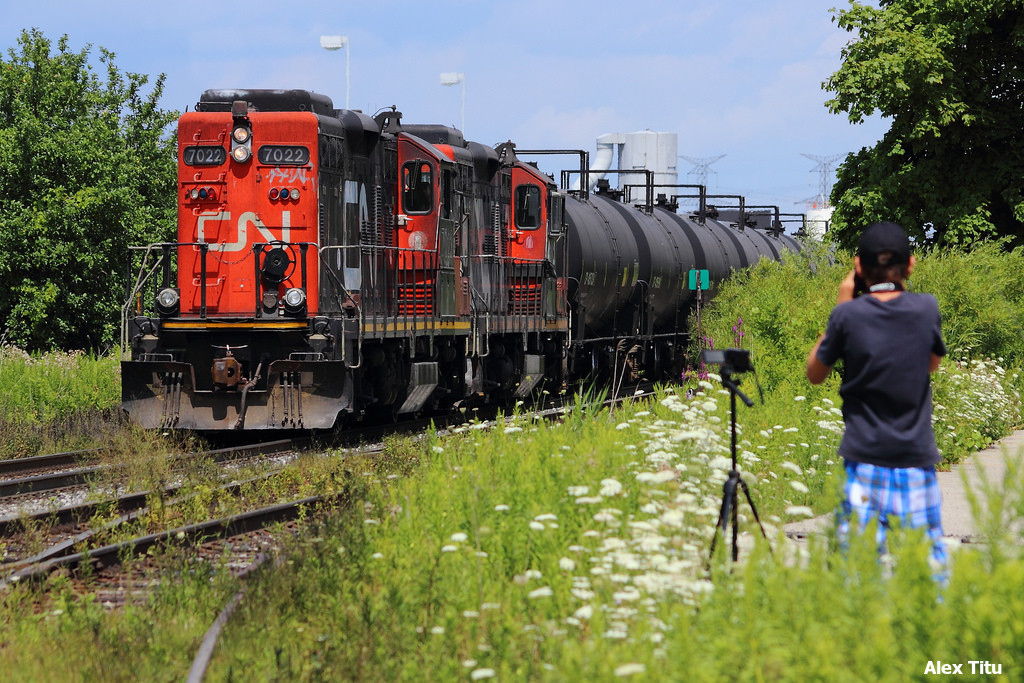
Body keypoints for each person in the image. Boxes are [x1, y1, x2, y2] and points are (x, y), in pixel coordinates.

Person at [806, 221, 947, 577]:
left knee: (856, 574)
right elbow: (931, 365)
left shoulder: (847, 315)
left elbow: (815, 373)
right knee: (926, 571)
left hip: (864, 460)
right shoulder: (926, 308)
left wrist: (839, 308)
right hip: (915, 460)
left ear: (858, 267)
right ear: (910, 265)